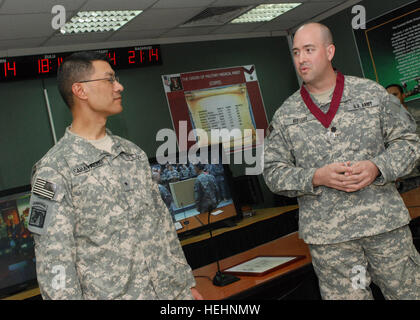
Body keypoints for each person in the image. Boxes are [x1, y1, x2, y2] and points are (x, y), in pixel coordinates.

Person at [263, 22, 420, 300]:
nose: (301, 58)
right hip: (331, 239)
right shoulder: (285, 115)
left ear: (330, 51)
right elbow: (273, 173)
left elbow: (410, 143)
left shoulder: (371, 95)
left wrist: (377, 167)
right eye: (297, 52)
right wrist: (315, 177)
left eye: (309, 50)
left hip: (383, 226)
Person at [27, 51, 202, 300]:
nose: (119, 86)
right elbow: (54, 259)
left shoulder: (133, 154)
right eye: (109, 79)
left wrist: (186, 284)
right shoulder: (53, 170)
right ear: (80, 90)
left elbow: (163, 226)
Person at [386, 84, 420, 193]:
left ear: (403, 95)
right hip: (406, 177)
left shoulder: (417, 113)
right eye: (388, 96)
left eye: (395, 94)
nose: (392, 98)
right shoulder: (385, 123)